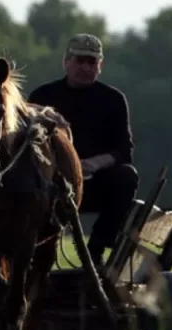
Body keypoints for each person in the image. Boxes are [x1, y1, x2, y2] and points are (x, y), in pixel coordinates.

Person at [27, 33, 139, 261]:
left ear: (100, 66)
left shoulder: (113, 99)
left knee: (127, 176)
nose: (85, 68)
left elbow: (124, 151)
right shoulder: (42, 96)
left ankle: (96, 250)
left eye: (91, 62)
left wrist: (92, 164)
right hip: (50, 186)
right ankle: (26, 252)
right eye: (79, 61)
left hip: (94, 185)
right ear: (66, 62)